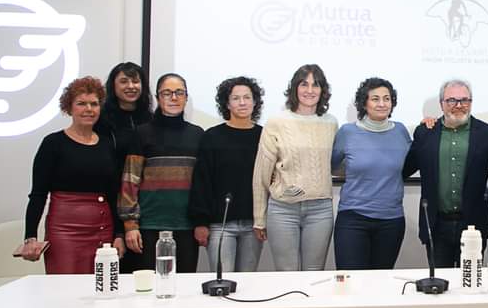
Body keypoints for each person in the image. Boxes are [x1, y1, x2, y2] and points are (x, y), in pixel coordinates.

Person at [22, 77, 124, 273]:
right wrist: (30, 237)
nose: (89, 109)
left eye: (94, 104)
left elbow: (114, 195)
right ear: (69, 108)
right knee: (64, 291)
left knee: (100, 292)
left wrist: (119, 233)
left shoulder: (106, 144)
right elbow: (38, 194)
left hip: (103, 229)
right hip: (64, 232)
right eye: (81, 103)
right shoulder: (52, 143)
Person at [403, 79, 488, 268]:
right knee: (439, 286)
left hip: (474, 225)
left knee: (471, 282)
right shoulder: (425, 132)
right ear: (441, 104)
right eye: (451, 101)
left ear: (471, 103)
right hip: (437, 225)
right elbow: (405, 169)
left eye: (464, 100)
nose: (458, 106)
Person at [252, 64, 339, 271]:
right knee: (286, 274)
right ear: (294, 88)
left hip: (320, 210)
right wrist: (259, 218)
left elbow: (335, 163)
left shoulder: (331, 123)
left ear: (323, 90)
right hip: (283, 209)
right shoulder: (277, 122)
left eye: (315, 85)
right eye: (304, 84)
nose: (310, 90)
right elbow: (261, 175)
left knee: (314, 274)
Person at [119, 73, 205, 272]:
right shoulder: (142, 133)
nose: (173, 98)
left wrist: (202, 222)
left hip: (187, 226)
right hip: (149, 225)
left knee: (184, 290)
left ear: (186, 97)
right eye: (167, 93)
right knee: (149, 290)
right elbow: (129, 181)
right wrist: (130, 225)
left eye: (179, 93)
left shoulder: (197, 135)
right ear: (158, 98)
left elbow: (202, 184)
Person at [331, 77, 411, 270]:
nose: (382, 104)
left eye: (387, 98)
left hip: (391, 221)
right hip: (353, 219)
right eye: (375, 99)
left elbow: (410, 164)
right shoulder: (347, 132)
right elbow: (332, 165)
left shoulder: (401, 131)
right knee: (350, 283)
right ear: (364, 103)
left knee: (380, 284)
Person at [189, 76, 264, 273]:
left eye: (247, 97)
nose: (242, 103)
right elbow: (202, 182)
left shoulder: (264, 137)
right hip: (219, 225)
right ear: (227, 103)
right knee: (222, 284)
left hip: (253, 225)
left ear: (255, 102)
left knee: (247, 284)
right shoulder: (212, 136)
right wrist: (200, 222)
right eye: (236, 98)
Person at [98, 61, 153, 273]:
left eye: (136, 81)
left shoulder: (150, 119)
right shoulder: (102, 120)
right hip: (111, 194)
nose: (131, 86)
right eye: (124, 81)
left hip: (141, 201)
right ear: (113, 86)